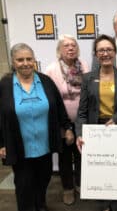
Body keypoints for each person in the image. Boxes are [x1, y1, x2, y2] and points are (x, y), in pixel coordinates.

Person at [0, 43, 74, 211]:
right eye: (20, 60)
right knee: (24, 185)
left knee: (43, 180)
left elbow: (59, 107)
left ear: (34, 60)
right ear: (13, 62)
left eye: (29, 59)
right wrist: (1, 143)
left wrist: (67, 127)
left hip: (44, 146)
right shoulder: (4, 85)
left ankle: (40, 206)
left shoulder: (46, 81)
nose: (25, 63)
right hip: (19, 147)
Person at [76, 34, 117, 211]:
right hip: (96, 132)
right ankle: (106, 206)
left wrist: (116, 118)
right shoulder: (88, 78)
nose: (105, 53)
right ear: (96, 54)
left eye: (109, 49)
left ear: (115, 52)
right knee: (101, 172)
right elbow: (82, 111)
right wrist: (80, 133)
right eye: (101, 50)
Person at [45, 34, 89, 205]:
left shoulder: (84, 65)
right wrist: (66, 127)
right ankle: (68, 189)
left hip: (82, 119)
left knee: (80, 155)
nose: (70, 48)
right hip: (62, 121)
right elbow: (51, 100)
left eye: (73, 45)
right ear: (59, 50)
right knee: (64, 157)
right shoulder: (51, 70)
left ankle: (79, 184)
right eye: (66, 46)